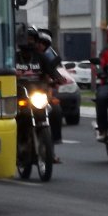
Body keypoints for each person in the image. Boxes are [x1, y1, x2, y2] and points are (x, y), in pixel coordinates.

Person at [35, 30, 64, 163]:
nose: (40, 46)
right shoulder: (22, 56)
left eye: (43, 44)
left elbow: (53, 73)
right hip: (23, 94)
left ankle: (53, 145)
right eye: (38, 42)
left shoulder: (46, 59)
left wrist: (58, 79)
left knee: (56, 109)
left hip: (41, 94)